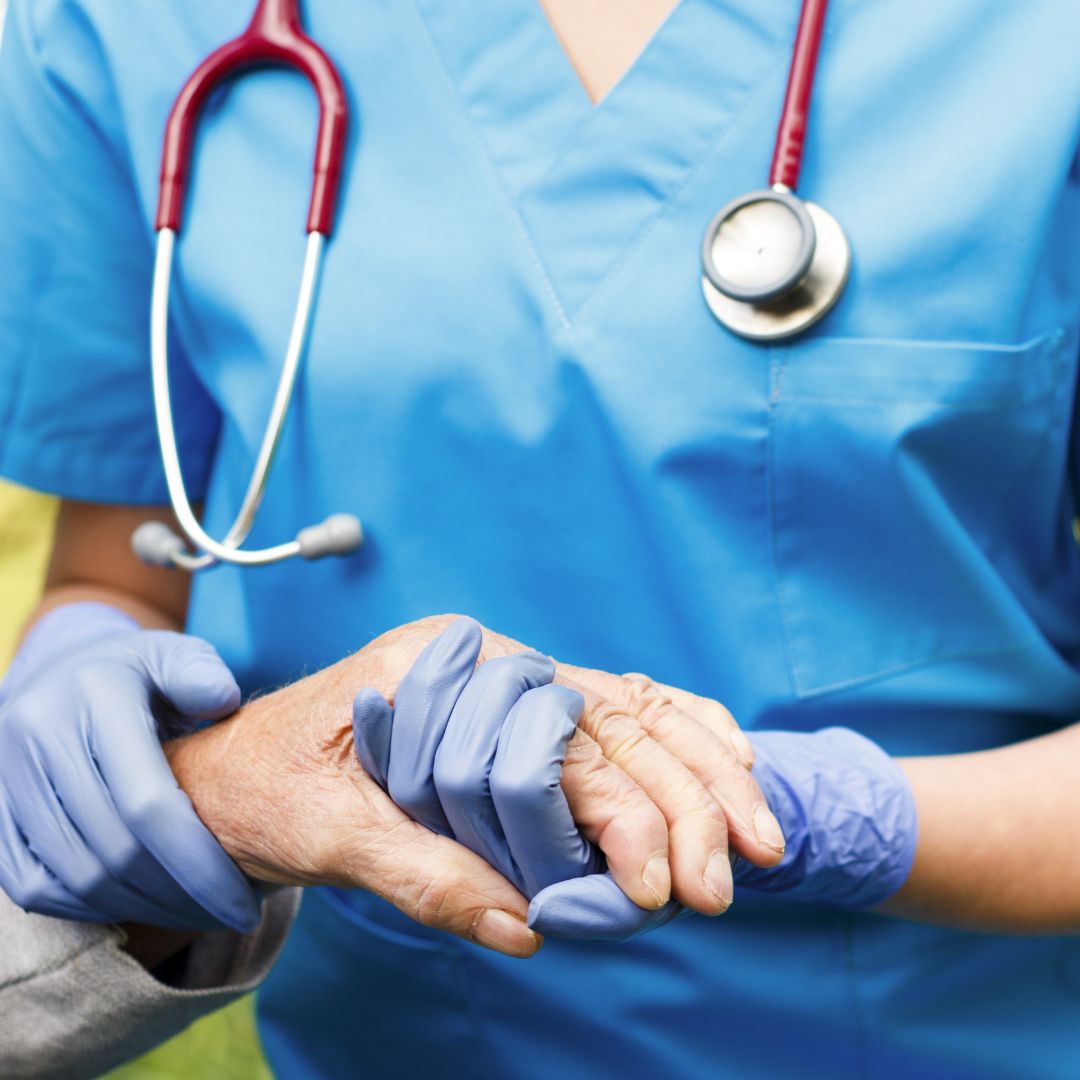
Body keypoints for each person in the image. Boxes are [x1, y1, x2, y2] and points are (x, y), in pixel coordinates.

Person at [0, 0, 1079, 1077]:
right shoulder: (118, 26)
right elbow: (130, 565)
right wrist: (92, 677)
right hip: (394, 1039)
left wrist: (798, 812)